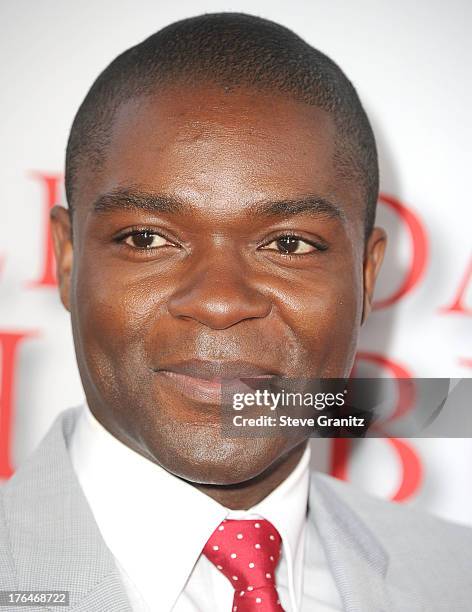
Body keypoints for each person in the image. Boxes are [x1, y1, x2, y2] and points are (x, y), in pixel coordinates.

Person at [1, 12, 470, 612]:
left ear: (365, 274)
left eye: (289, 244)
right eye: (147, 237)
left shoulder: (458, 578)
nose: (220, 302)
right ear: (66, 260)